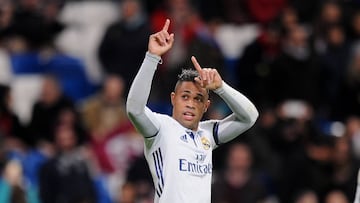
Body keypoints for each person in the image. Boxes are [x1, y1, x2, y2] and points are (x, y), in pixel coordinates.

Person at [126, 19, 259, 202]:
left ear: (206, 106)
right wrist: (152, 57)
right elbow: (134, 109)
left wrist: (221, 87)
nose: (190, 103)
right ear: (173, 98)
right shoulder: (160, 129)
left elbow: (250, 117)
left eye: (198, 99)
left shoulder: (208, 134)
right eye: (185, 96)